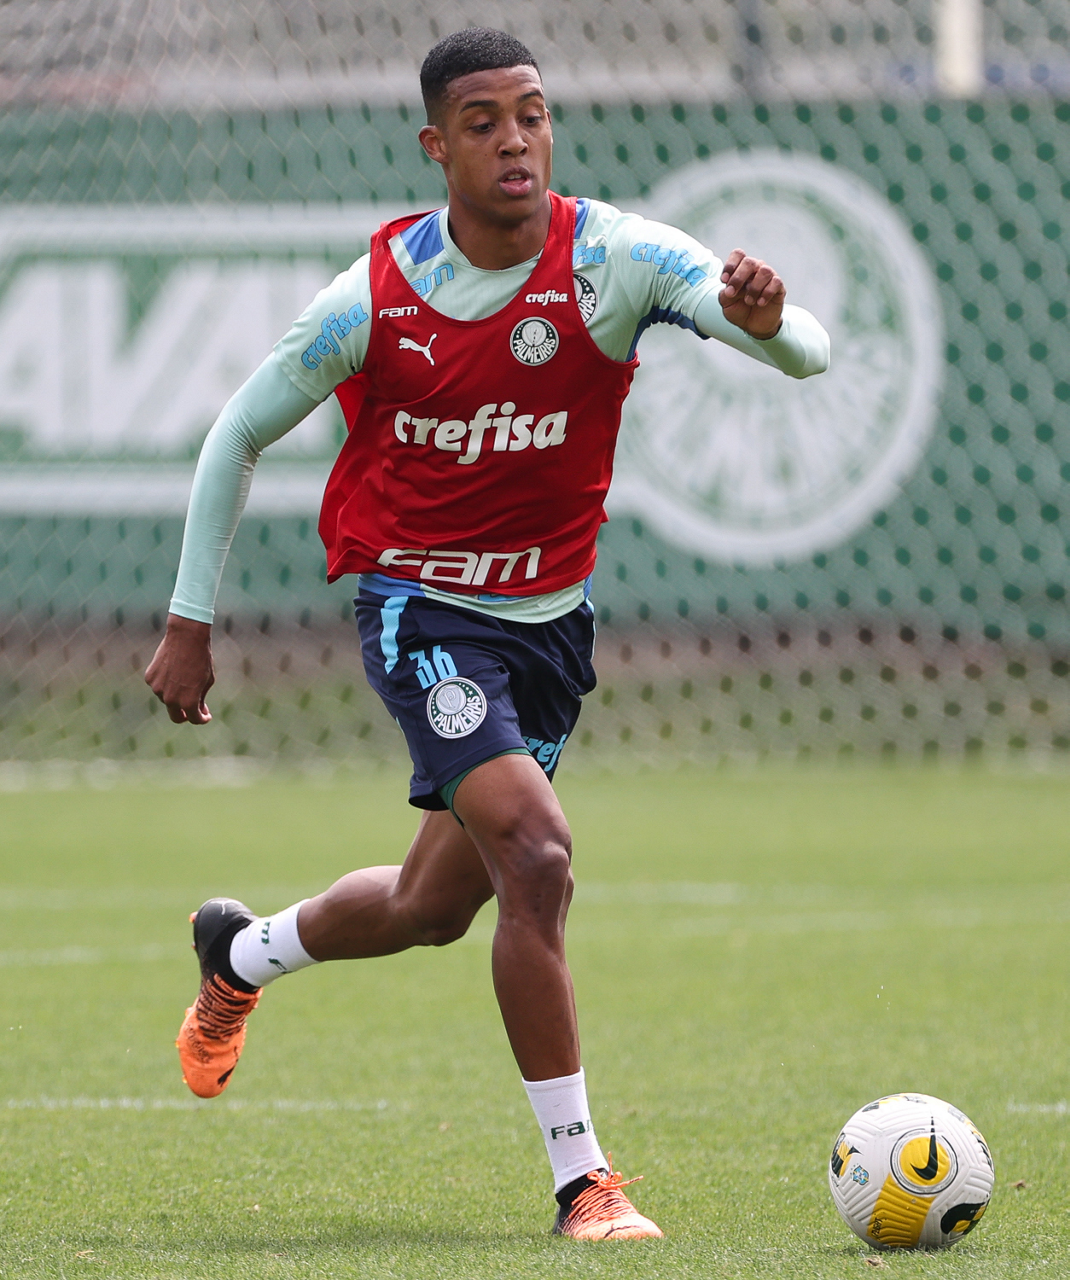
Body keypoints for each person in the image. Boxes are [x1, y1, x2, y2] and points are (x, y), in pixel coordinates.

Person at [145, 27, 829, 1241]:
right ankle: (583, 1182)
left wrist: (768, 322)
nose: (514, 140)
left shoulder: (613, 257)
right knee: (538, 851)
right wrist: (189, 620)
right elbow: (234, 435)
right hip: (419, 607)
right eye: (482, 122)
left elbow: (805, 353)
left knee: (431, 905)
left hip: (549, 628)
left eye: (530, 114)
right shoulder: (373, 297)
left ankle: (239, 956)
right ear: (435, 146)